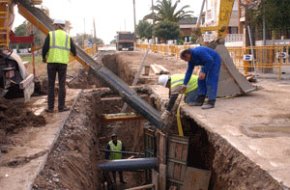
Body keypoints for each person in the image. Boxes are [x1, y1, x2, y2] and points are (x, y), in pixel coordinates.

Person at [42, 19, 77, 113]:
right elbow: (74, 51)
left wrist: (44, 58)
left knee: (51, 85)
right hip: (63, 64)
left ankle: (50, 108)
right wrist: (72, 54)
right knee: (62, 85)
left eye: (54, 25)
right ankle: (61, 107)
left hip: (51, 63)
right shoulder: (67, 36)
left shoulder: (51, 34)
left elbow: (44, 48)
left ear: (57, 25)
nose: (54, 26)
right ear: (63, 26)